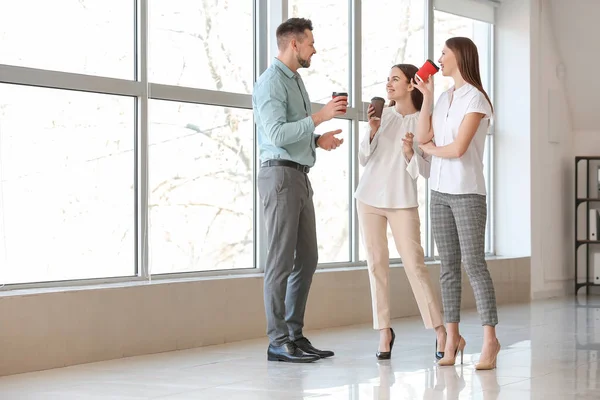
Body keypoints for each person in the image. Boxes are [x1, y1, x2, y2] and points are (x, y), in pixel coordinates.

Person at [252, 17, 347, 363]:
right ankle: (278, 341)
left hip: (298, 176)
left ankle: (294, 334)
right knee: (280, 261)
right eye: (310, 42)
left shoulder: (295, 81)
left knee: (307, 258)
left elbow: (292, 131)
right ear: (294, 44)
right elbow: (276, 135)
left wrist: (317, 140)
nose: (314, 48)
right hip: (279, 178)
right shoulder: (271, 83)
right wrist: (320, 118)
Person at [413, 37, 500, 370]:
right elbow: (423, 137)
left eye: (444, 54)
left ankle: (490, 341)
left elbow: (459, 148)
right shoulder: (445, 97)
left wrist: (432, 152)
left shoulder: (476, 99)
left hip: (467, 192)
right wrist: (428, 98)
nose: (439, 60)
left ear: (460, 56)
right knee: (448, 268)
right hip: (439, 191)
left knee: (474, 266)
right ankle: (452, 339)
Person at [355, 64, 446, 361]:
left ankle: (440, 330)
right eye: (387, 78)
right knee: (376, 266)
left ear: (410, 85)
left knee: (414, 266)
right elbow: (363, 159)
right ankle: (384, 331)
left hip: (402, 201)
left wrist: (410, 154)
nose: (388, 84)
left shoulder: (424, 121)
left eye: (395, 79)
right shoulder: (382, 117)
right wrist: (372, 132)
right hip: (368, 198)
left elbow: (427, 170)